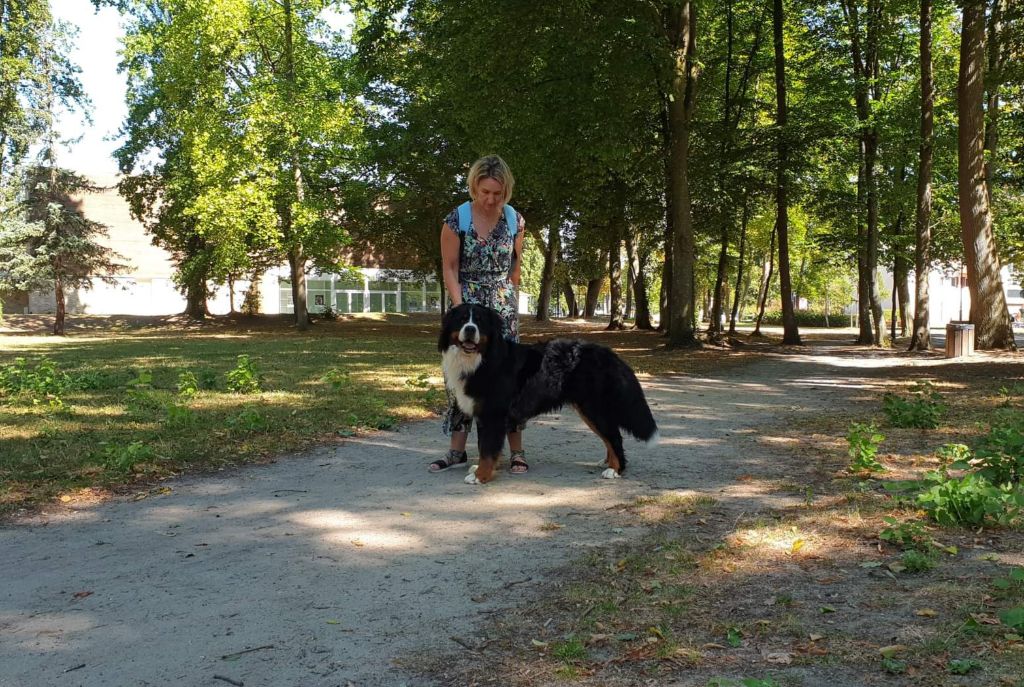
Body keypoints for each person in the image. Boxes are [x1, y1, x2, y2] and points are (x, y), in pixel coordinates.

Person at [429, 155, 529, 474]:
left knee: (507, 380)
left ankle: (516, 451)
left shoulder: (515, 221)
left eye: (497, 194)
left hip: (500, 309)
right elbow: (450, 267)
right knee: (460, 375)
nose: (490, 199)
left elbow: (515, 267)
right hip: (466, 304)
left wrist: (511, 303)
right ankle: (457, 451)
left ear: (506, 191)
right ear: (474, 186)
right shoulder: (455, 219)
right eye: (484, 192)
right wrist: (459, 308)